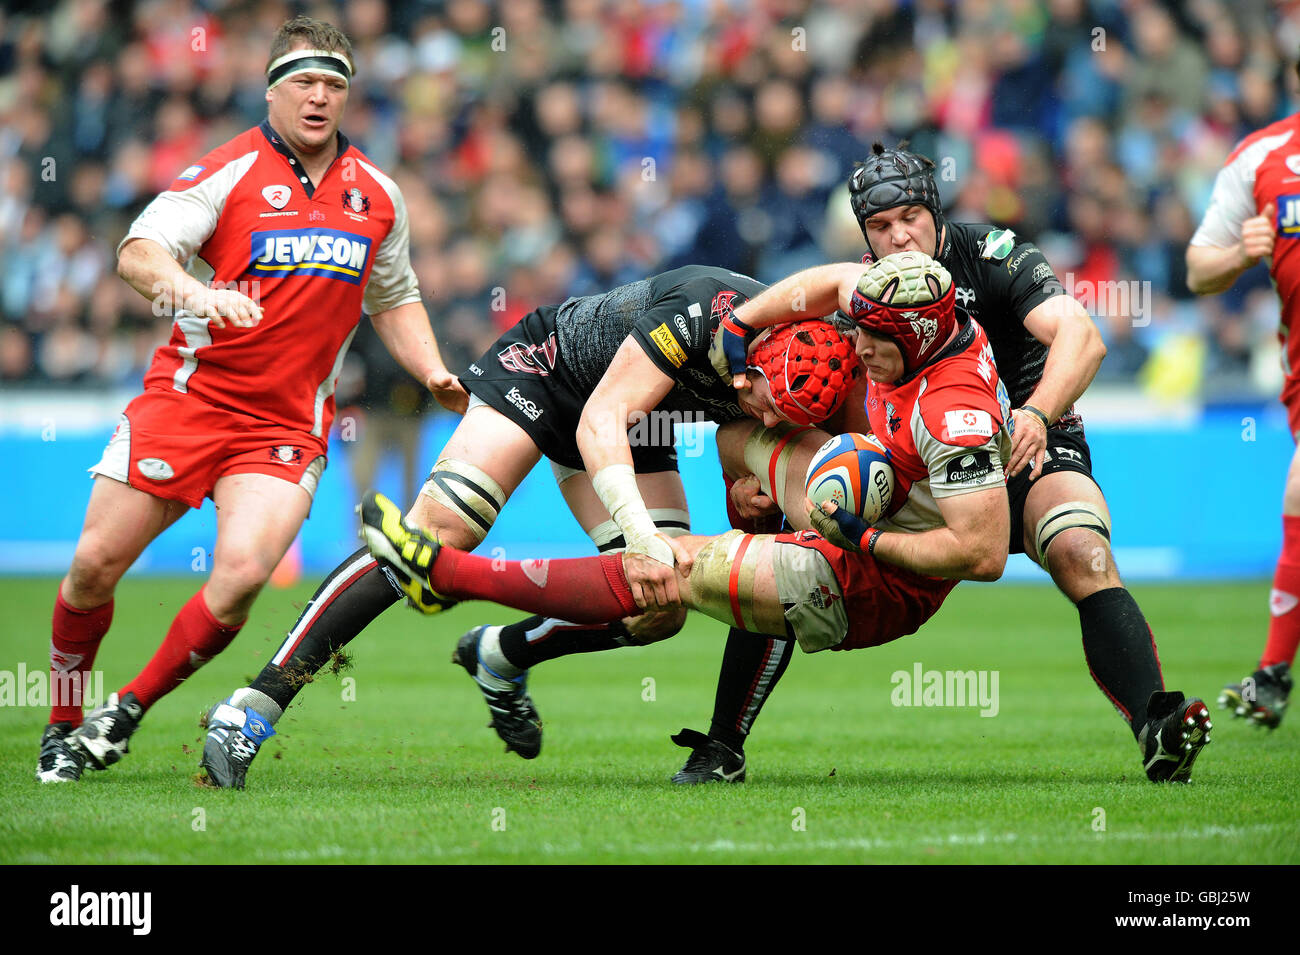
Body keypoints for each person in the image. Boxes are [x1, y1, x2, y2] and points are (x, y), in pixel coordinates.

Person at [456, 144, 1214, 784]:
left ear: (936, 212)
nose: (900, 236)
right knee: (789, 533)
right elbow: (812, 302)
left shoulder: (992, 254)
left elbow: (1081, 335)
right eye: (880, 226)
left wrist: (1035, 413)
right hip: (920, 458)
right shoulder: (866, 291)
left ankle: (1155, 723)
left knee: (1080, 549)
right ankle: (723, 744)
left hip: (1026, 431)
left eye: (911, 217)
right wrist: (749, 468)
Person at [198, 263, 860, 788]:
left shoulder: (797, 359)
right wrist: (642, 537)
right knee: (436, 534)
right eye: (770, 410)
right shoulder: (696, 313)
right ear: (748, 367)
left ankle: (503, 654)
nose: (772, 424)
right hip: (548, 373)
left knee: (662, 606)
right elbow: (599, 421)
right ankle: (251, 708)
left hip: (641, 413)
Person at [36, 16, 464, 783]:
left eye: (334, 85)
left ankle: (125, 709)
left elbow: (394, 297)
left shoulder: (378, 195)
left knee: (238, 577)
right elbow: (138, 253)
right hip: (189, 399)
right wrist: (197, 293)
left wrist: (432, 368)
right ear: (271, 89)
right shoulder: (228, 170)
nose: (319, 97)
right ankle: (63, 719)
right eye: (303, 81)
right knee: (94, 566)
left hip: (285, 424)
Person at [1186, 96, 1300, 728]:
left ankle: (1272, 674)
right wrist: (1240, 254)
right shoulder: (1260, 159)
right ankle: (1273, 676)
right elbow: (1199, 269)